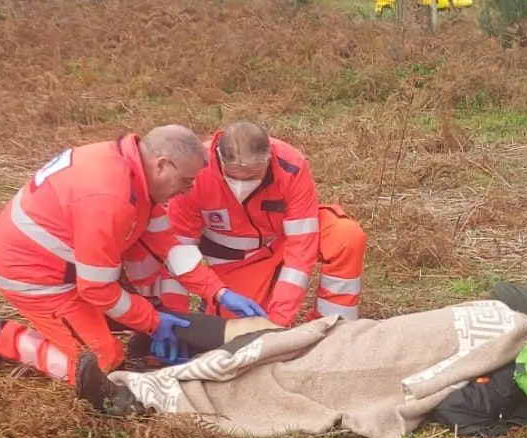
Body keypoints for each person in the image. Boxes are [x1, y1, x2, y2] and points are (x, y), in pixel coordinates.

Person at [0, 125, 268, 388]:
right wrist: (152, 320)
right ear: (162, 165)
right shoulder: (110, 198)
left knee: (143, 285)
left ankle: (103, 324)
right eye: (186, 181)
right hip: (37, 277)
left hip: (73, 265)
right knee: (101, 365)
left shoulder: (135, 177)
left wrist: (218, 291)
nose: (188, 190)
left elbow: (169, 248)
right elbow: (97, 288)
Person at [74, 282, 527, 417]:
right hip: (391, 333)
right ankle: (162, 336)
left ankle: (143, 393)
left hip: (399, 354)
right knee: (272, 339)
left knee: (292, 373)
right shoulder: (521, 311)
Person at [149, 120, 368, 328]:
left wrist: (279, 319)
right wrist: (176, 319)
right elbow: (177, 252)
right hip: (236, 263)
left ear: (268, 158)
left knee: (344, 235)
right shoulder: (194, 171)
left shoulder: (291, 166)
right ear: (219, 158)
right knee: (242, 328)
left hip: (284, 242)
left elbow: (301, 247)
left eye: (252, 175)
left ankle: (336, 328)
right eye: (233, 176)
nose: (241, 185)